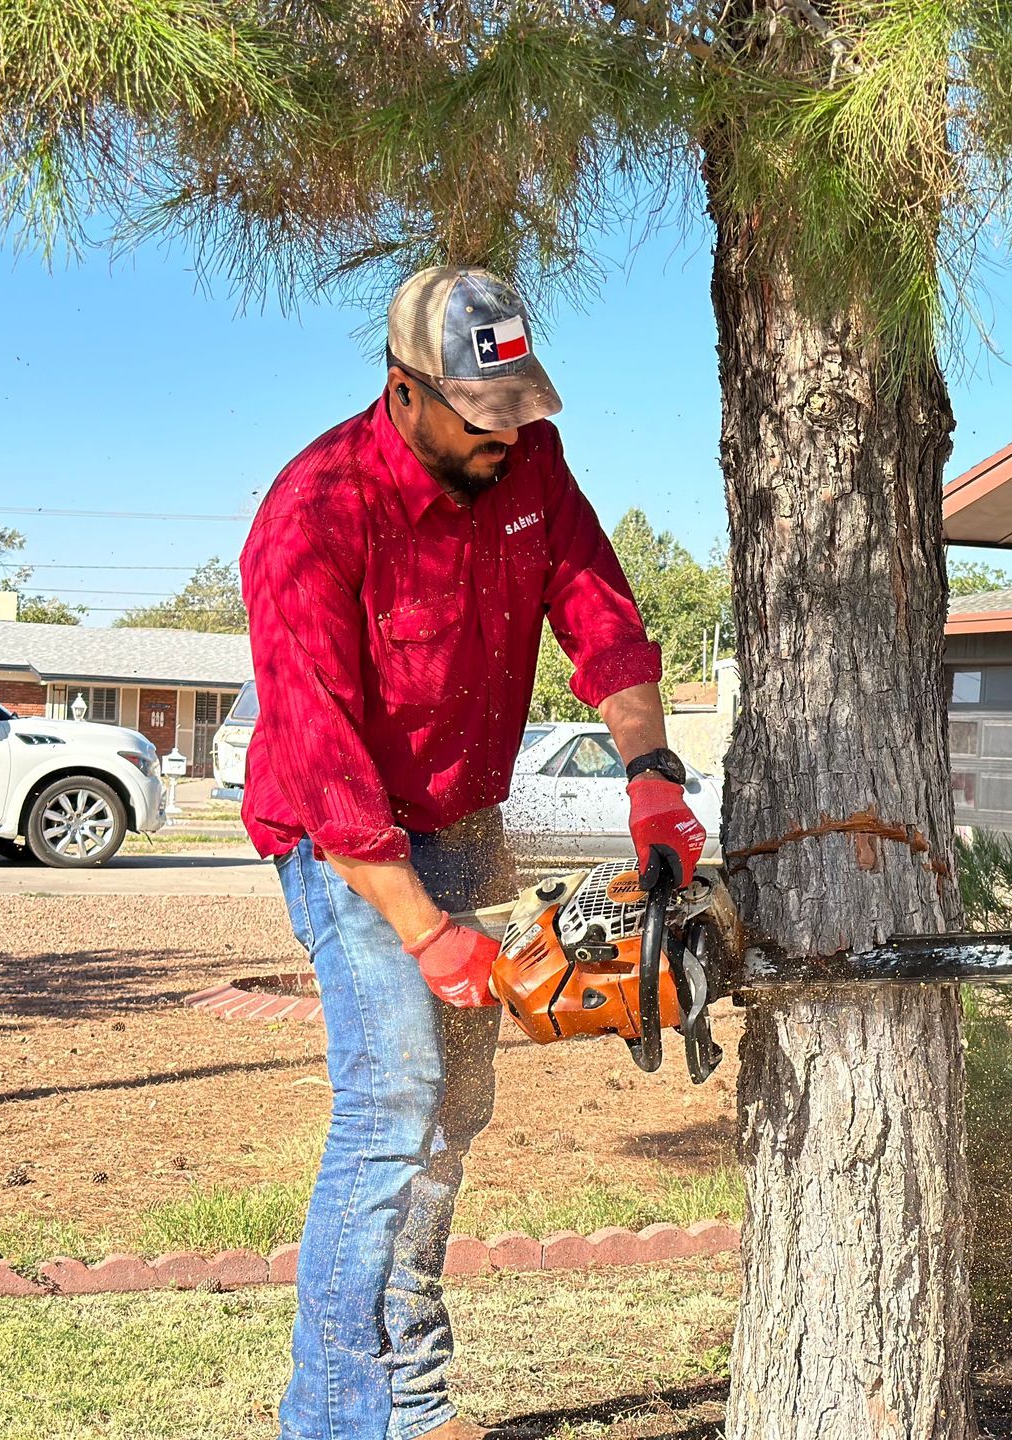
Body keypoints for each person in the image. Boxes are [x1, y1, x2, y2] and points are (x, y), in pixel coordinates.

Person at [239, 265, 708, 1440]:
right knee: (393, 1102)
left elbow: (600, 611)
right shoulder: (315, 511)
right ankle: (339, 1419)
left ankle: (415, 1395)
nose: (507, 437)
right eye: (481, 417)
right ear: (406, 393)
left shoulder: (530, 466)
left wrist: (652, 779)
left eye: (518, 411)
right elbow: (319, 752)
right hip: (345, 838)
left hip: (463, 820)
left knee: (456, 1110)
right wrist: (422, 926)